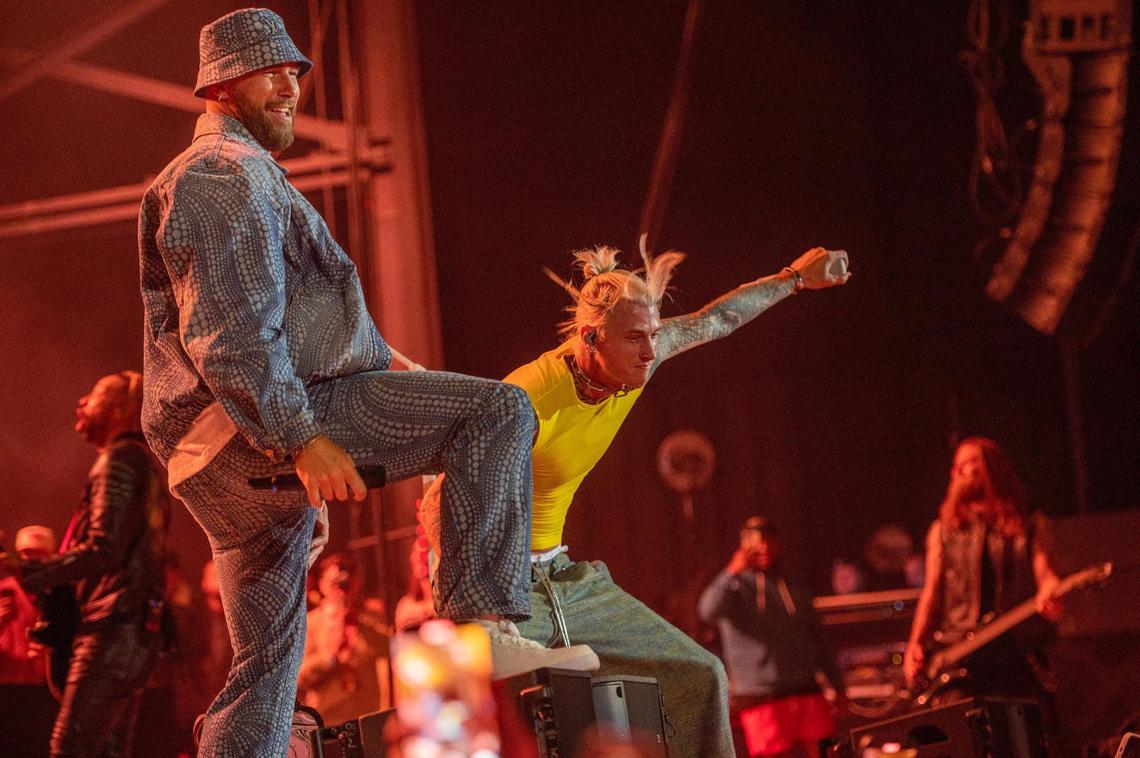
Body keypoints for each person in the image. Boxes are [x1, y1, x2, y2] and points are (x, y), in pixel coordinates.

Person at [138, 9, 595, 755]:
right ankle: (484, 625)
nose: (293, 85)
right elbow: (230, 333)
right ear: (221, 82)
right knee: (498, 413)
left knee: (266, 670)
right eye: (274, 71)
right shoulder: (223, 175)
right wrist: (302, 438)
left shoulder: (233, 174)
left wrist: (391, 366)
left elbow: (291, 323)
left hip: (224, 451)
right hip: (260, 427)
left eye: (296, 71)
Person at [424, 242, 850, 756]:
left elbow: (716, 320)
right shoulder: (529, 397)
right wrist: (476, 614)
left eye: (652, 336)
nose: (650, 352)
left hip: (568, 580)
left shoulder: (634, 363)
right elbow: (436, 500)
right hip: (503, 593)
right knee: (518, 723)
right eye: (634, 339)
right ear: (589, 338)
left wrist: (795, 278)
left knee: (700, 673)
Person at [12, 371, 170, 757]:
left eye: (94, 396)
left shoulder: (118, 461)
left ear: (123, 409)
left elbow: (103, 549)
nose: (81, 402)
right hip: (136, 630)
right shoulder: (146, 465)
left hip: (112, 629)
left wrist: (24, 572)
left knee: (71, 749)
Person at [903, 436, 1062, 705]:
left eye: (968, 463)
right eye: (956, 466)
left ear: (991, 468)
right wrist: (915, 644)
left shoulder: (1029, 525)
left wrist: (1051, 594)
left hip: (1014, 655)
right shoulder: (943, 531)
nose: (958, 471)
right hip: (958, 655)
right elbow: (931, 594)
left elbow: (1046, 574)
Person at [699, 516, 845, 758]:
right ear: (744, 544)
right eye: (757, 541)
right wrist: (730, 572)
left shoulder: (793, 586)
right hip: (761, 697)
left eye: (768, 540)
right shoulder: (734, 589)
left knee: (826, 753)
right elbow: (707, 610)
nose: (764, 547)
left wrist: (838, 686)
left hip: (806, 689)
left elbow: (819, 638)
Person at [298, 552, 391, 725]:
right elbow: (300, 676)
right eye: (335, 584)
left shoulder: (373, 618)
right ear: (322, 583)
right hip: (327, 716)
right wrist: (328, 658)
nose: (341, 589)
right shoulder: (311, 623)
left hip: (367, 713)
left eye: (346, 584)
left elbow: (388, 658)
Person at [0, 525, 57, 685]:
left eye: (40, 554)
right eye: (27, 553)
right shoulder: (3, 590)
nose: (32, 561)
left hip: (44, 687)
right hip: (6, 686)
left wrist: (53, 652)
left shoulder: (62, 595)